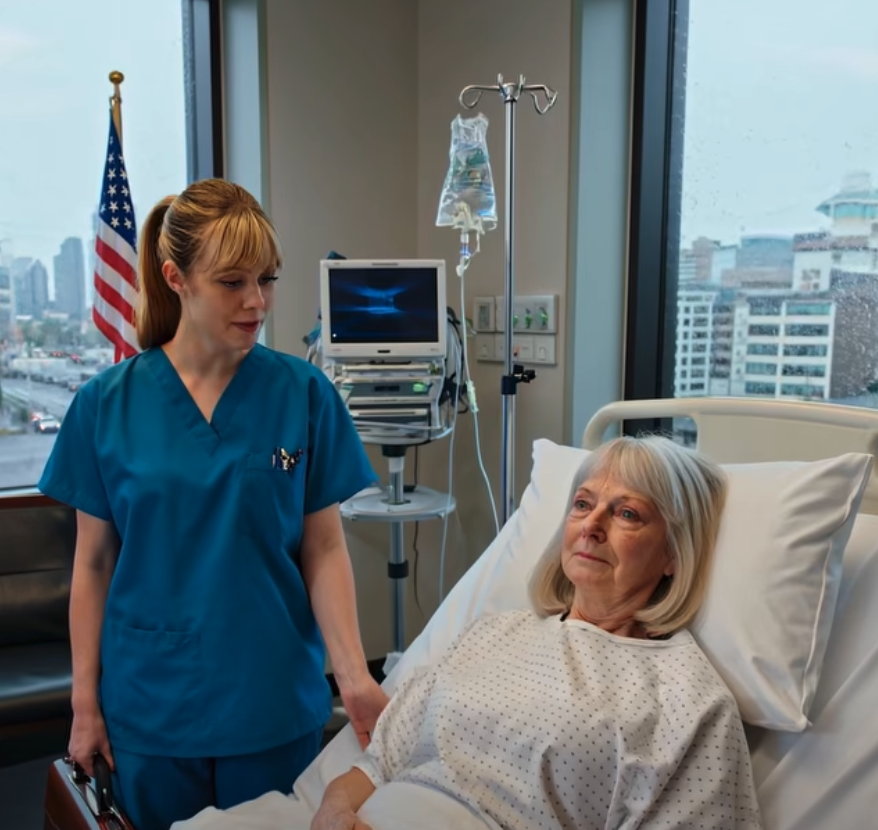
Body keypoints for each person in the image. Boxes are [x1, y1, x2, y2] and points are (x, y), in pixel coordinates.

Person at [38, 179, 389, 830]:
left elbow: (323, 546)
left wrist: (354, 676)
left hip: (271, 698)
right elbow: (92, 567)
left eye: (267, 280)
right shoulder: (105, 406)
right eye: (233, 282)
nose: (257, 302)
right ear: (176, 278)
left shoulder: (302, 397)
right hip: (152, 704)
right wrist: (84, 701)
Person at [304, 435, 763, 830]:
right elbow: (378, 761)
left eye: (627, 514)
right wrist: (334, 808)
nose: (592, 526)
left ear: (674, 555)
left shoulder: (688, 702)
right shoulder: (493, 634)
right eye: (583, 504)